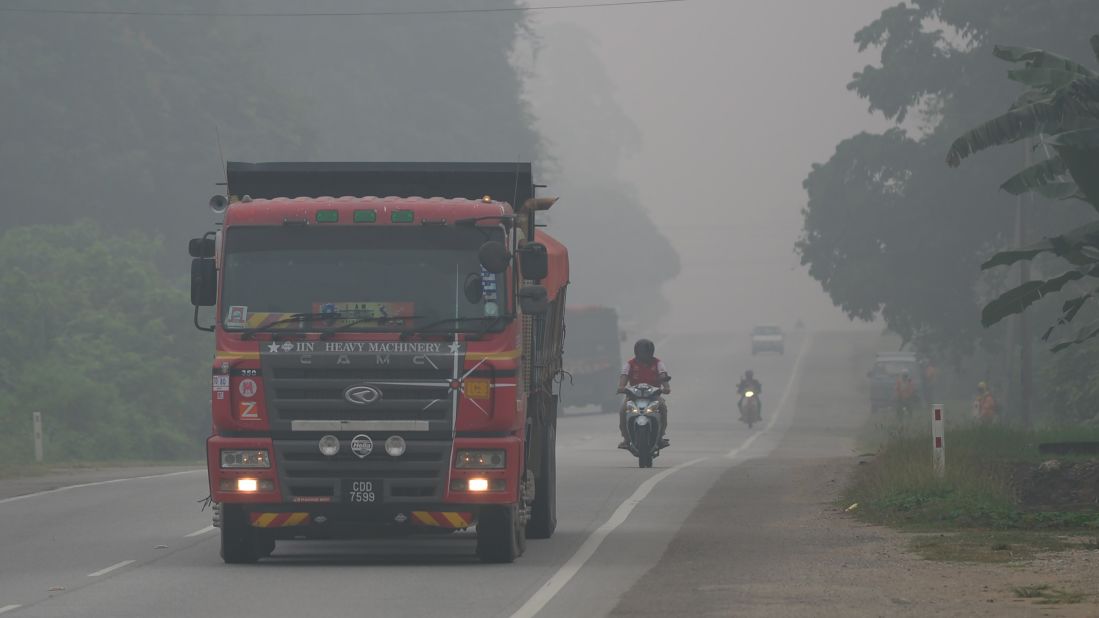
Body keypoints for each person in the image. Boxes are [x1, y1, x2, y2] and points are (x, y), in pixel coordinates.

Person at [617, 338, 670, 449]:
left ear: (651, 352)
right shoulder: (630, 364)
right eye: (641, 353)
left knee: (663, 408)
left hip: (653, 397)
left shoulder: (658, 363)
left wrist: (666, 387)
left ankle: (660, 437)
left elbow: (663, 375)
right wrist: (621, 387)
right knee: (622, 410)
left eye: (646, 353)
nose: (644, 355)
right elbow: (624, 375)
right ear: (637, 352)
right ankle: (626, 439)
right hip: (633, 396)